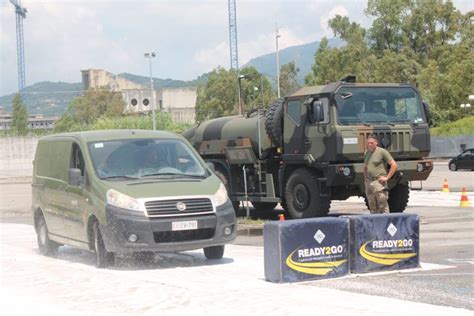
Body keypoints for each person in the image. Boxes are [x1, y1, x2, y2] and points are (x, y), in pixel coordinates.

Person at [363, 133, 398, 213]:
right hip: (369, 182)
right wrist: (365, 179)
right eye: (368, 143)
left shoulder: (382, 152)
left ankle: (385, 223)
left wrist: (387, 178)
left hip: (379, 182)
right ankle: (375, 223)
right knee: (372, 206)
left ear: (376, 142)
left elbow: (394, 165)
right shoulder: (367, 153)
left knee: (382, 205)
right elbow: (365, 167)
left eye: (372, 143)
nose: (370, 145)